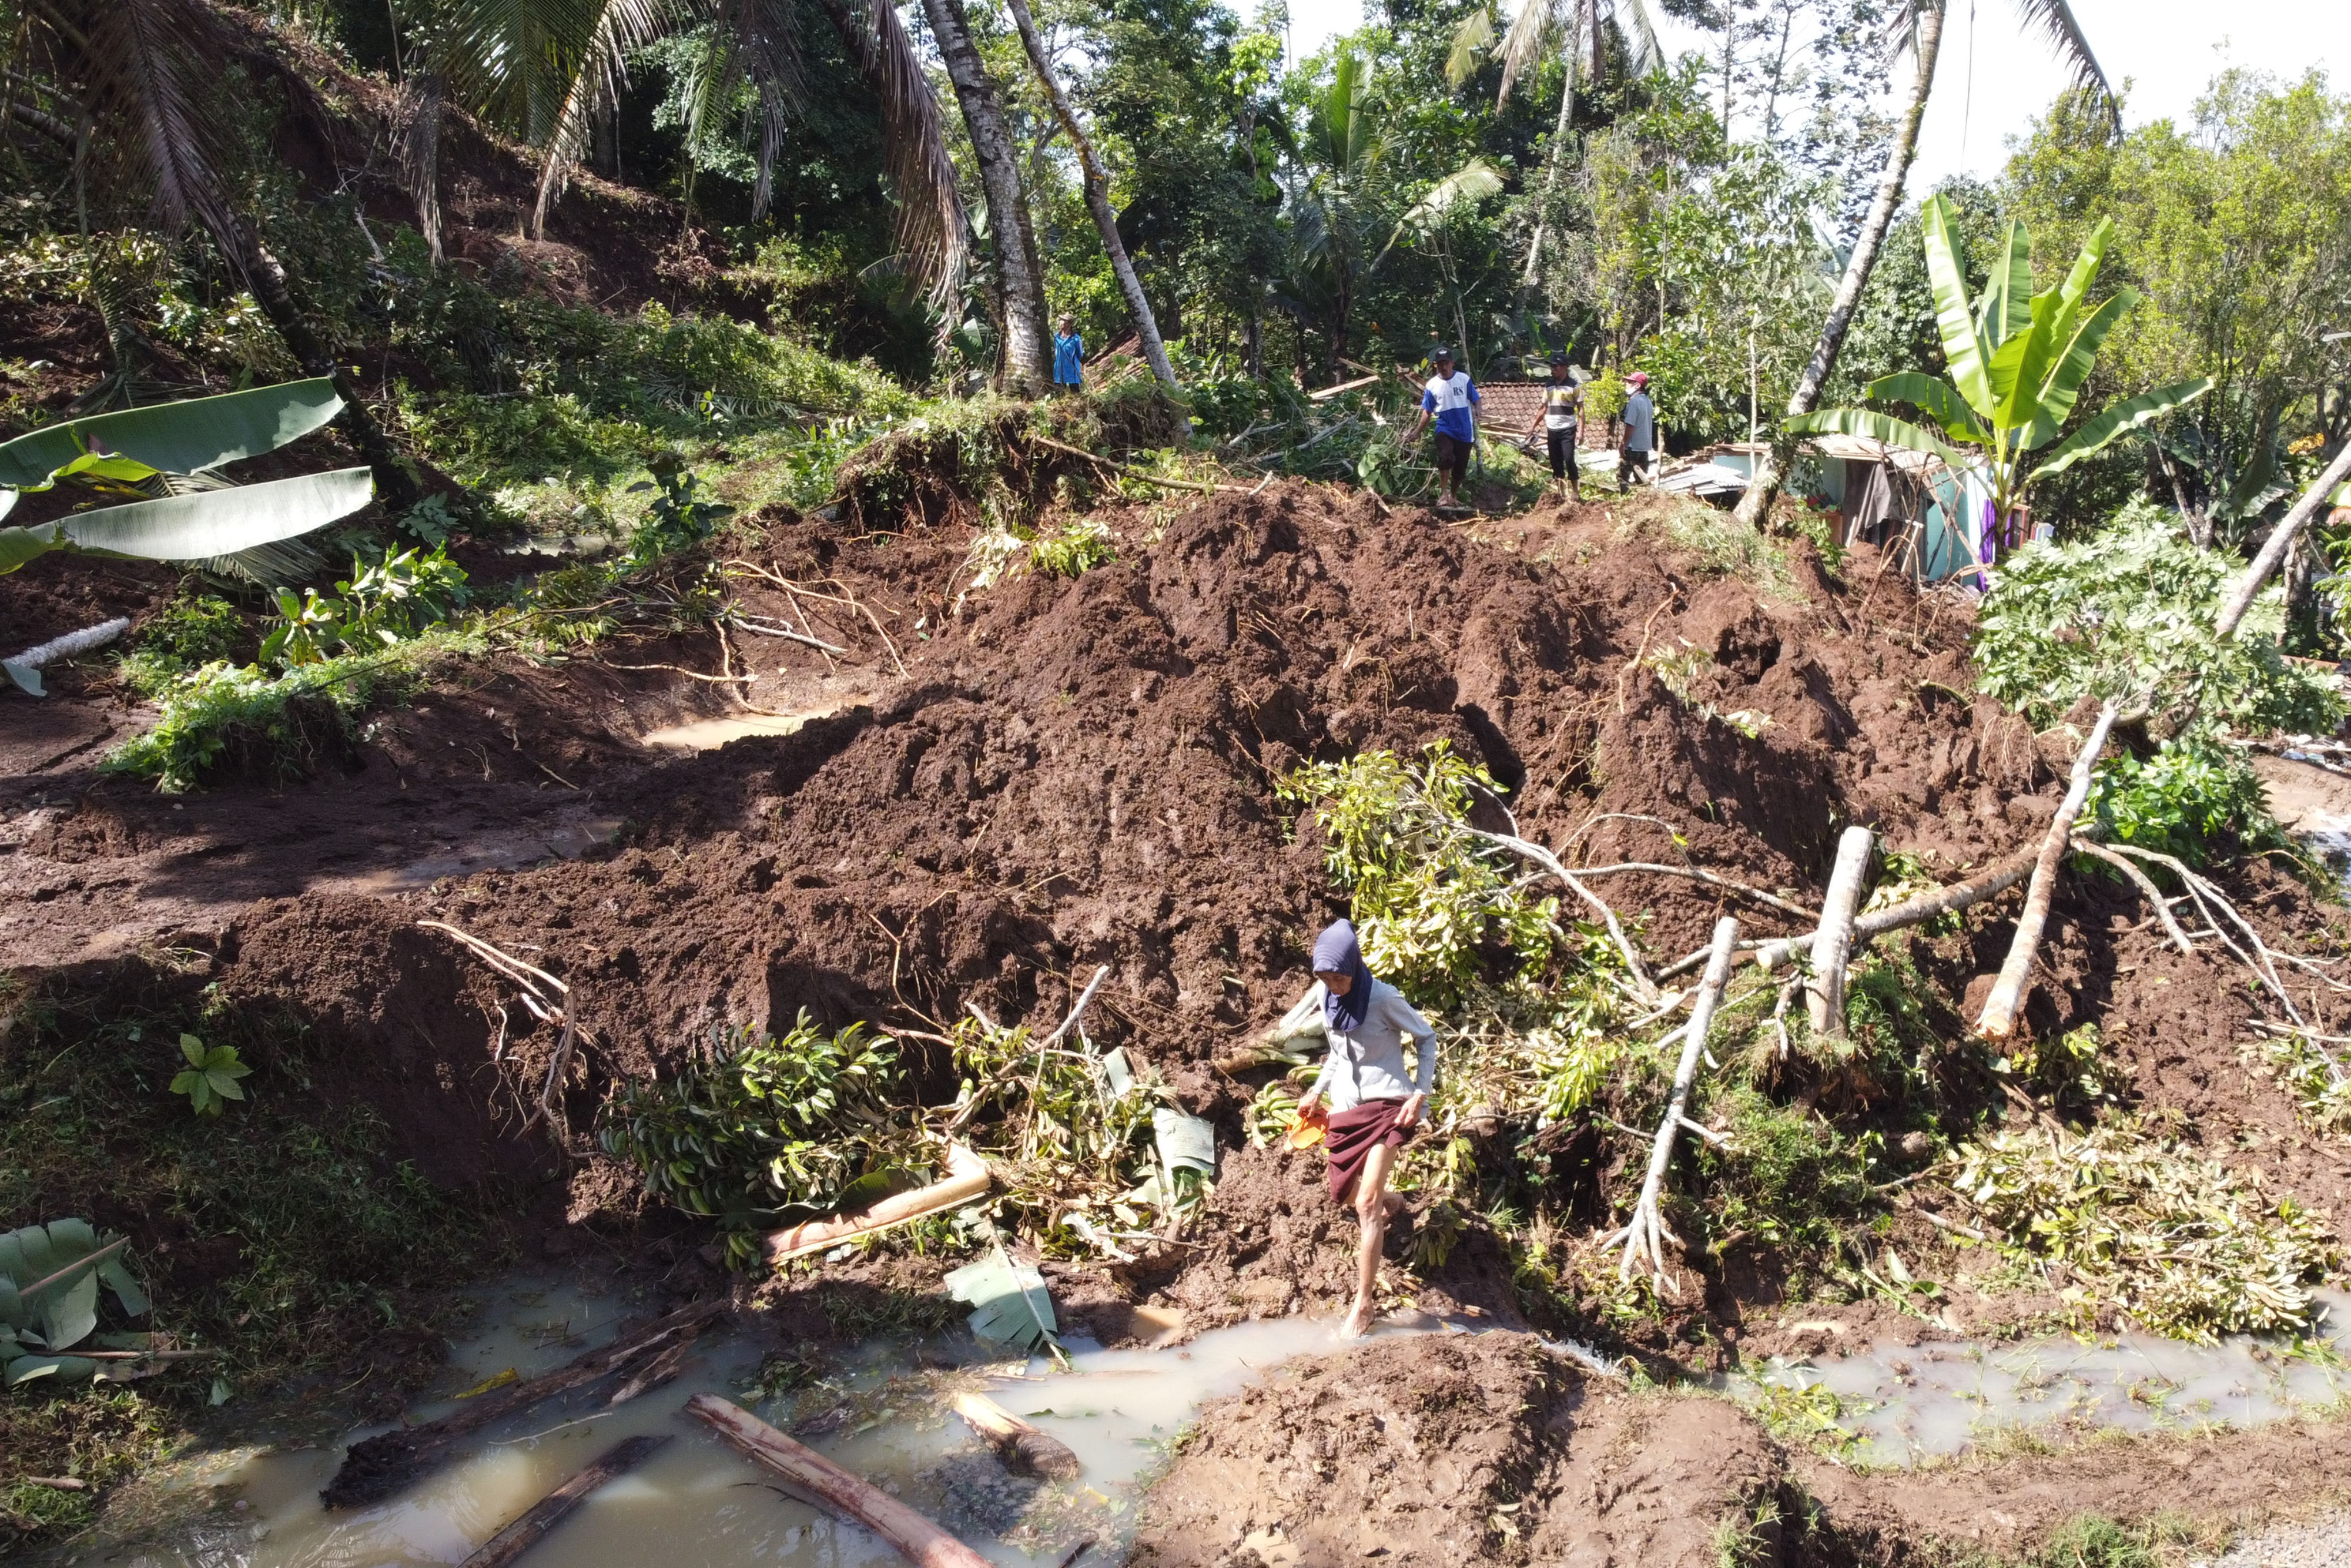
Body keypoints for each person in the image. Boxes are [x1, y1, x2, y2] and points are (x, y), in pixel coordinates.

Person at [1292, 918, 1436, 1339]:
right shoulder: (1326, 996)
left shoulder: (1383, 998)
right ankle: (1393, 1201)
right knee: (1344, 1193)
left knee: (1365, 1203)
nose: (1334, 985)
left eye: (1339, 977)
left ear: (1354, 967)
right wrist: (1316, 1090)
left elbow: (1426, 1038)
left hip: (1390, 1105)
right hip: (1347, 1107)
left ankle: (1364, 1304)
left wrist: (1419, 1093)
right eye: (1326, 978)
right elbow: (1338, 1053)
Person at [1404, 345, 1479, 510]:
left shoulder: (1463, 380)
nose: (1444, 367)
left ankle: (1453, 496)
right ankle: (1443, 494)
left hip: (1465, 432)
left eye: (1446, 363)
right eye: (1440, 364)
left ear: (1452, 363)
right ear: (1435, 365)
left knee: (1460, 468)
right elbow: (1427, 411)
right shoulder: (1432, 385)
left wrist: (1478, 411)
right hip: (1445, 428)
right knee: (1446, 456)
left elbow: (1476, 399)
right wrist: (1417, 432)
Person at [1539, 352, 1582, 502]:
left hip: (1568, 428)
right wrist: (1533, 426)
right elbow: (1543, 407)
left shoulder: (1574, 386)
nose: (1553, 369)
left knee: (1569, 459)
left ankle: (1575, 492)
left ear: (1564, 368)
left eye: (1556, 366)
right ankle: (1562, 494)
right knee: (1556, 462)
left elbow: (1581, 410)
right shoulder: (1549, 385)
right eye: (1551, 366)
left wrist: (1581, 432)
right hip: (1552, 428)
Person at [1619, 370, 1657, 488]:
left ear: (1637, 385)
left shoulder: (1634, 402)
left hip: (1633, 447)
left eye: (1630, 382)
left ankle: (1624, 500)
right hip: (1644, 447)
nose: (1626, 384)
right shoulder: (1648, 402)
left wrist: (1624, 444)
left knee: (1623, 476)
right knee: (1641, 478)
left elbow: (1631, 426)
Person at [1053, 315, 1084, 394]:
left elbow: (1080, 354)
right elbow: (1056, 351)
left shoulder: (1076, 339)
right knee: (1059, 393)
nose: (1060, 322)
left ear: (1069, 324)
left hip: (1072, 369)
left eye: (1063, 320)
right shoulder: (1057, 337)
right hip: (1059, 368)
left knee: (1075, 393)